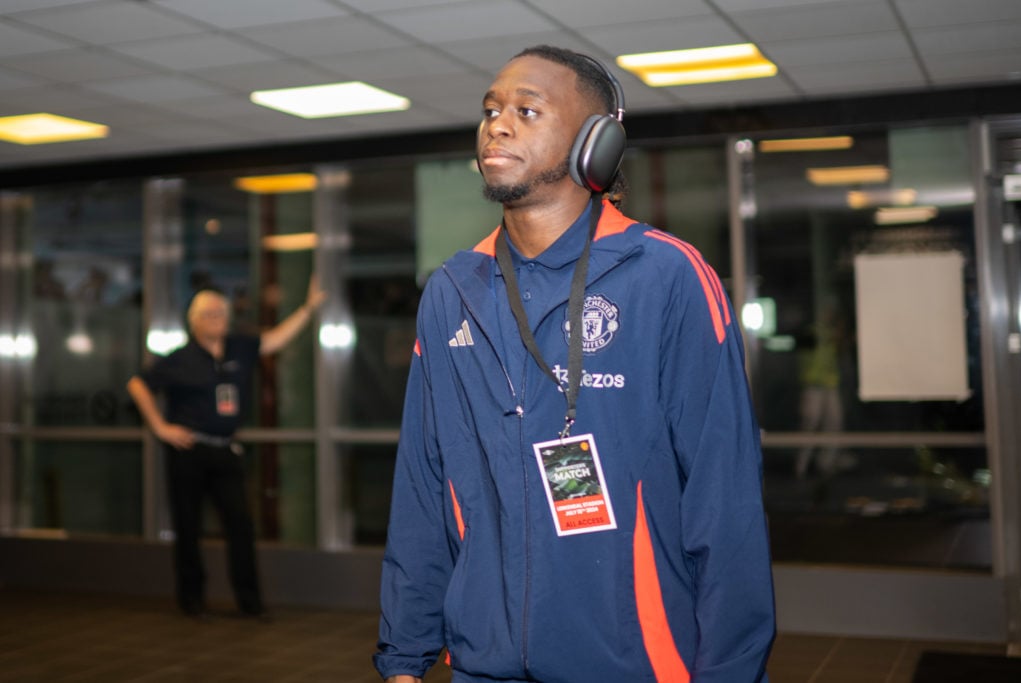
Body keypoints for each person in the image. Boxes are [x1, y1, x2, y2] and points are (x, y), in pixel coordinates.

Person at [374, 45, 775, 683]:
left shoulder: (666, 276)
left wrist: (729, 671)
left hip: (636, 661)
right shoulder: (453, 289)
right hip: (485, 663)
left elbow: (722, 496)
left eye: (526, 111)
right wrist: (404, 656)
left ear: (597, 144)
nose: (496, 125)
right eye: (490, 110)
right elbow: (423, 484)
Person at [127, 276, 325, 619]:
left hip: (226, 451)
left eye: (221, 311)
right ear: (195, 320)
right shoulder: (180, 358)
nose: (218, 317)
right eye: (210, 313)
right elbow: (138, 384)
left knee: (240, 525)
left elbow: (276, 339)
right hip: (188, 452)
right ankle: (192, 599)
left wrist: (308, 309)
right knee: (187, 527)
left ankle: (250, 602)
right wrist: (160, 427)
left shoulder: (240, 347)